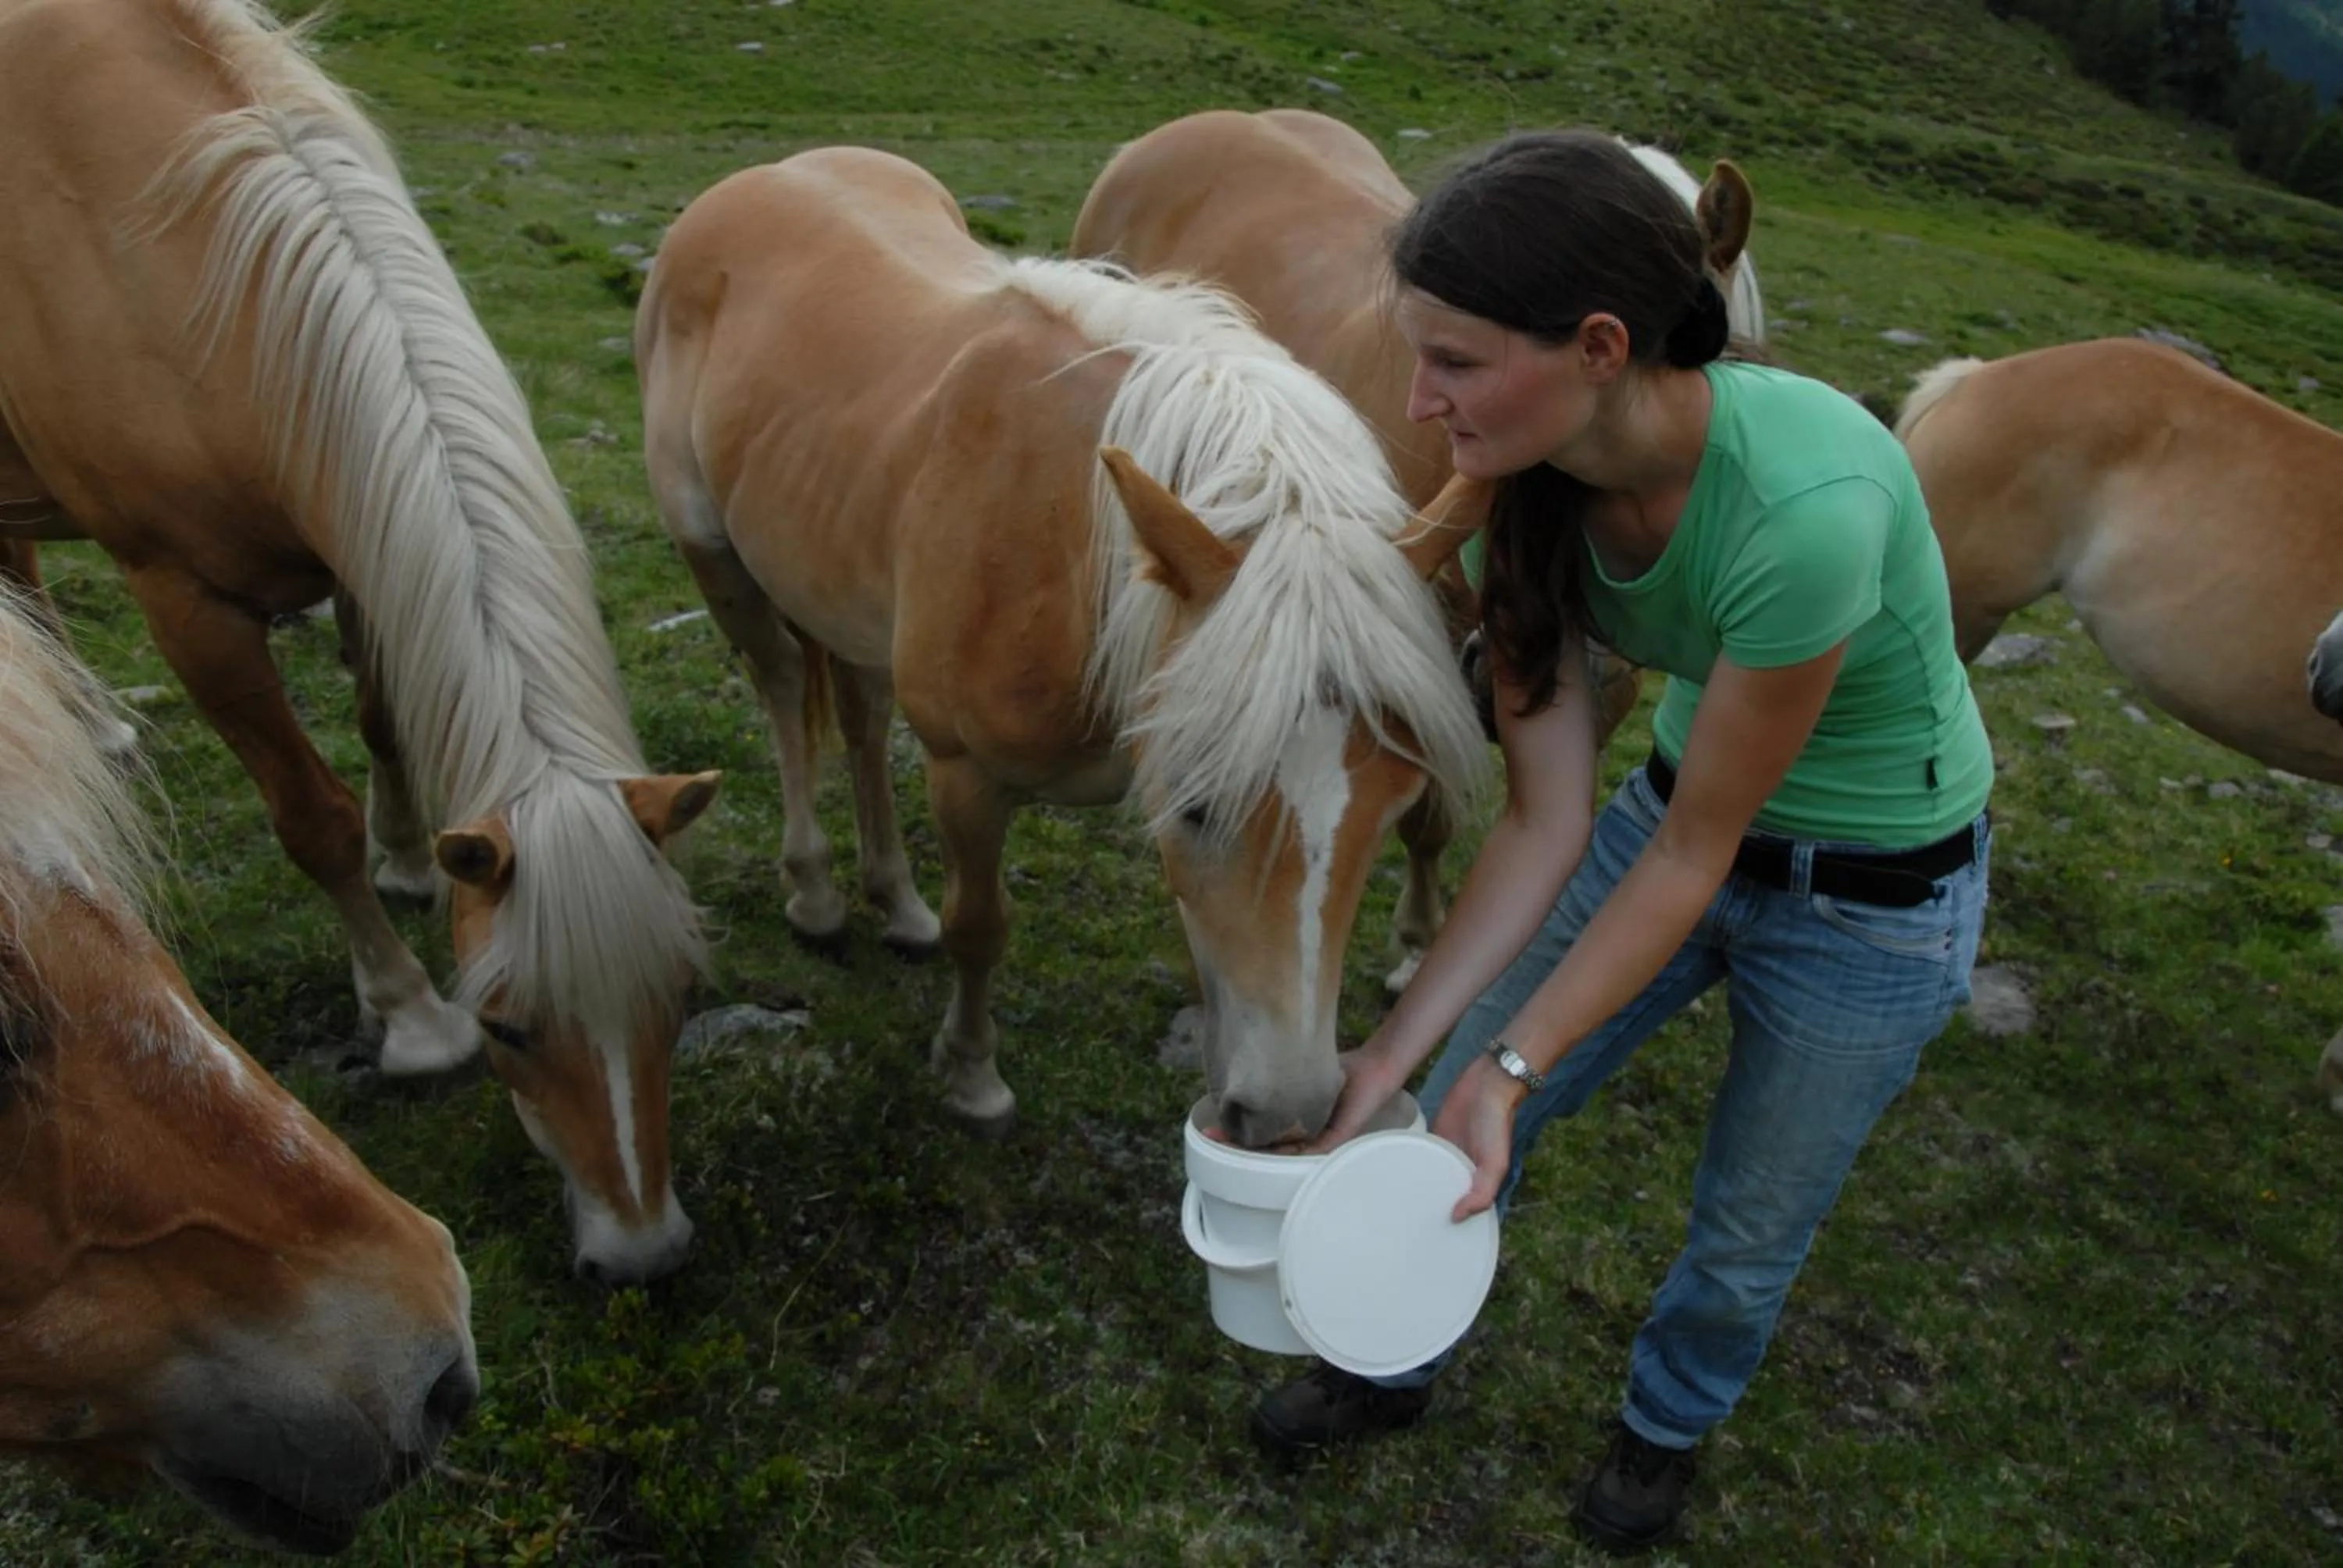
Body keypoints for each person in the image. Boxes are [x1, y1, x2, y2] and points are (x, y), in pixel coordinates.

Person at [1249, 130, 1993, 1555]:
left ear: (1598, 345)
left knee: (1748, 1219)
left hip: (1872, 904)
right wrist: (1399, 1059)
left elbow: (1691, 859)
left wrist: (1522, 1062)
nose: (1420, 399)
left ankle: (1665, 1426)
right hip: (1674, 820)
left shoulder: (1810, 506)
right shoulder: (1508, 489)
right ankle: (1388, 1350)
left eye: (1456, 361)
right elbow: (1546, 819)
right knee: (1455, 1102)